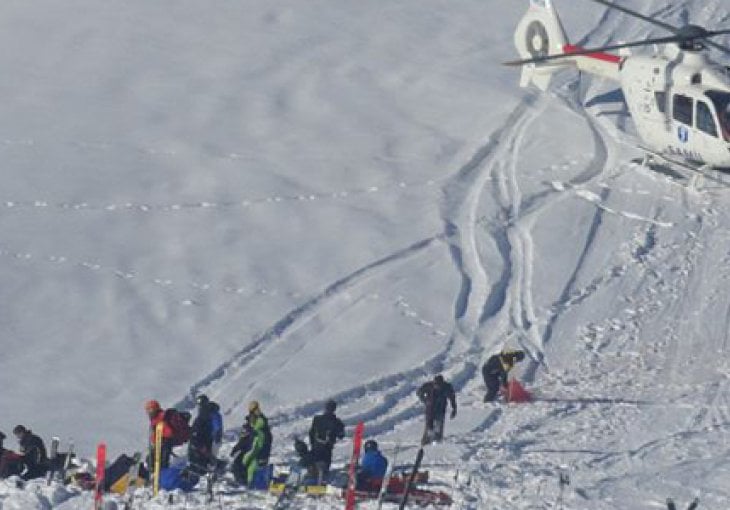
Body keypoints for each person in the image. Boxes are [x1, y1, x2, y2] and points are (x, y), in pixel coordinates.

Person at [308, 399, 345, 483]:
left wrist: (313, 444)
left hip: (316, 448)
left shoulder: (317, 419)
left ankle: (311, 481)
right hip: (327, 449)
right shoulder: (337, 422)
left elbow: (311, 433)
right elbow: (341, 435)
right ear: (334, 409)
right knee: (324, 470)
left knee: (314, 466)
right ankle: (319, 484)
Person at [416, 374, 457, 445]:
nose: (437, 387)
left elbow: (452, 398)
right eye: (436, 385)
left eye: (439, 385)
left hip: (441, 409)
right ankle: (425, 442)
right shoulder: (429, 386)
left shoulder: (447, 387)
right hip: (430, 409)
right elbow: (419, 392)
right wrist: (425, 400)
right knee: (429, 426)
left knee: (439, 426)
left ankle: (437, 441)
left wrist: (454, 409)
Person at [239, 401, 272, 487]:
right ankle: (249, 482)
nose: (257, 410)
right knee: (250, 464)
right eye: (254, 409)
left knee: (252, 466)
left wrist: (252, 431)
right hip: (259, 448)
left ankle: (251, 484)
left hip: (260, 450)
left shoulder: (261, 422)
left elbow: (258, 438)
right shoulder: (257, 420)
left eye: (257, 408)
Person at [188, 394, 223, 472]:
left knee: (203, 458)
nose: (200, 407)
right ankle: (212, 467)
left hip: (206, 440)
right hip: (208, 439)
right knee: (207, 457)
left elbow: (199, 429)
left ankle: (210, 470)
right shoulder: (210, 413)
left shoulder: (206, 414)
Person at [145, 399, 174, 472]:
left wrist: (162, 439)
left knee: (163, 462)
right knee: (150, 459)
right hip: (159, 444)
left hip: (164, 443)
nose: (149, 412)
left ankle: (163, 477)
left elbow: (169, 432)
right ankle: (156, 475)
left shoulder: (161, 417)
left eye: (150, 410)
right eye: (147, 410)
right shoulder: (155, 419)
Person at [229, 416, 254, 485]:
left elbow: (242, 442)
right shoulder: (255, 430)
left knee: (238, 464)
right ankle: (242, 480)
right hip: (251, 452)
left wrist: (234, 450)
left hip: (248, 452)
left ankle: (242, 481)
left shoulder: (251, 430)